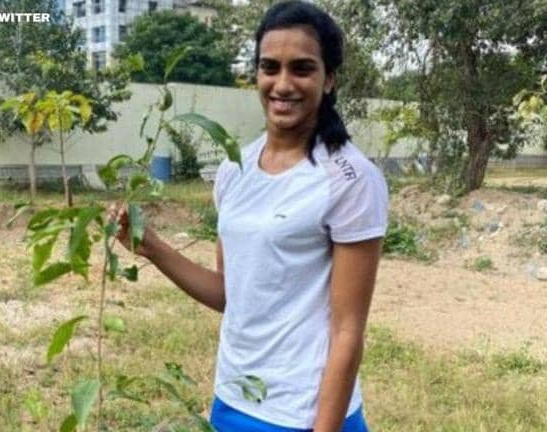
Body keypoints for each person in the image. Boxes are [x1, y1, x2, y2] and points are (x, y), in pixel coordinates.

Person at [111, 1, 388, 430]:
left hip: (305, 413)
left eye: (302, 69)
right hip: (233, 399)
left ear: (329, 78)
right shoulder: (233, 170)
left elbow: (348, 331)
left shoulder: (350, 179)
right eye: (269, 67)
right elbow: (230, 295)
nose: (283, 84)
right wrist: (151, 246)